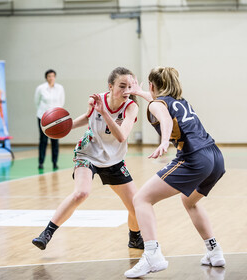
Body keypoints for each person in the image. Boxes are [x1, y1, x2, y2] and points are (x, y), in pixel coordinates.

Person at [124, 67, 226, 278]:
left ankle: (153, 255)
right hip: (215, 157)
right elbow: (160, 107)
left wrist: (163, 142)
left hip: (194, 157)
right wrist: (140, 93)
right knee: (189, 202)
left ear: (152, 86)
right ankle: (214, 251)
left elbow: (165, 119)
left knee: (141, 199)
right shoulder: (179, 101)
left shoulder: (156, 104)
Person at [32, 67, 144, 251]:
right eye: (121, 86)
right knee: (81, 193)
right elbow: (88, 117)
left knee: (136, 207)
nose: (126, 91)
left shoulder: (131, 107)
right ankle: (46, 234)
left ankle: (134, 238)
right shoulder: (96, 100)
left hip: (114, 160)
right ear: (110, 86)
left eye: (129, 87)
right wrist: (64, 126)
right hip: (88, 153)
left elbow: (121, 136)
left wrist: (105, 113)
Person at [34, 69, 65, 170]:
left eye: (53, 76)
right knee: (43, 140)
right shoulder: (41, 88)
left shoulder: (60, 88)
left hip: (55, 119)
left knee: (55, 140)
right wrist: (45, 114)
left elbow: (61, 102)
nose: (51, 78)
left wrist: (56, 115)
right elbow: (36, 102)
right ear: (46, 78)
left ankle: (55, 162)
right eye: (49, 76)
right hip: (43, 117)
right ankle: (41, 162)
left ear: (55, 77)